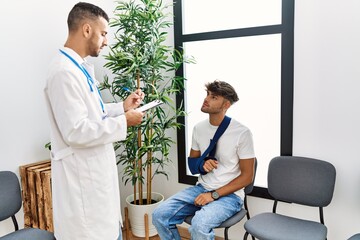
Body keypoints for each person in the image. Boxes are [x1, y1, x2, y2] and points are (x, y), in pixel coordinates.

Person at [44, 2, 145, 240]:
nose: (106, 41)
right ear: (87, 30)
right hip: (83, 191)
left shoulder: (77, 68)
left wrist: (121, 108)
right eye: (104, 34)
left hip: (95, 181)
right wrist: (124, 123)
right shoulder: (63, 72)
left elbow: (92, 114)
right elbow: (76, 131)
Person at [152, 80, 255, 240]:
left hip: (230, 196)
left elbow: (247, 176)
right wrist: (202, 163)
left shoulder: (242, 133)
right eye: (207, 94)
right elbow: (192, 163)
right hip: (201, 188)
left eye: (213, 97)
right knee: (159, 214)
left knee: (199, 224)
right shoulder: (198, 128)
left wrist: (213, 195)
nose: (206, 99)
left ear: (226, 105)